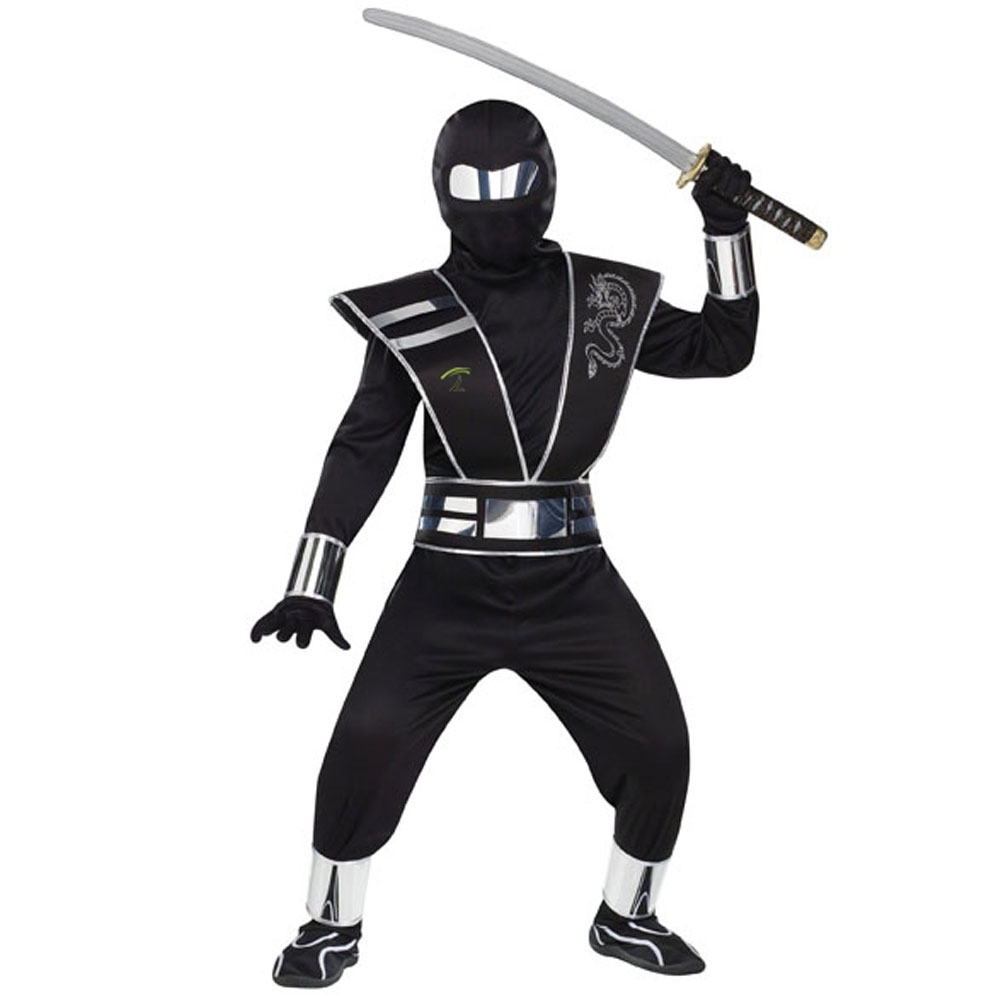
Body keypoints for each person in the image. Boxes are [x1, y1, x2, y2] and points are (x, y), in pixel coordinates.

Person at [253, 99, 758, 988]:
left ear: (546, 184)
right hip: (445, 584)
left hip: (573, 578)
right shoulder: (416, 314)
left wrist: (726, 231)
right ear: (443, 191)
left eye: (511, 183)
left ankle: (627, 915)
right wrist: (314, 576)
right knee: (365, 741)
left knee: (659, 744)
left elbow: (722, 348)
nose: (494, 205)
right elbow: (365, 443)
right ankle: (329, 925)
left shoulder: (603, 296)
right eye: (473, 186)